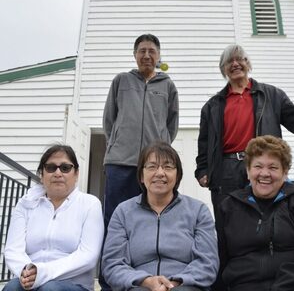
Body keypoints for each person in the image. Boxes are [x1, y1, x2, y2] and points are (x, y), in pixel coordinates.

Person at [195, 44, 294, 217]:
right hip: (227, 170)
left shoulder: (273, 96)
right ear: (223, 69)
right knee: (228, 224)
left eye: (240, 59)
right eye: (229, 61)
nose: (235, 64)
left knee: (268, 219)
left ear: (248, 64)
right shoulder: (212, 106)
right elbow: (204, 143)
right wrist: (202, 171)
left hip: (263, 166)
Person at [100, 34, 179, 290]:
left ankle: (144, 277)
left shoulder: (168, 86)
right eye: (142, 50)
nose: (147, 55)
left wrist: (161, 149)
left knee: (148, 218)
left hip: (153, 166)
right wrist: (118, 144)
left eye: (152, 51)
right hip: (120, 163)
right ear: (135, 55)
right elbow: (109, 120)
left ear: (158, 56)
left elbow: (171, 124)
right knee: (114, 220)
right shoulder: (121, 81)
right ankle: (110, 279)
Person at [101, 141, 219, 291]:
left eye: (168, 167)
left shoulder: (198, 211)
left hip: (185, 286)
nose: (160, 173)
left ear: (177, 176)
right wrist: (146, 281)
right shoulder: (123, 212)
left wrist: (174, 283)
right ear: (142, 176)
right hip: (139, 286)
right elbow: (113, 264)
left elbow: (208, 263)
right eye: (152, 166)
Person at [216, 135, 294, 291]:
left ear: (285, 172)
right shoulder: (228, 206)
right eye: (258, 166)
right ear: (248, 170)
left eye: (273, 167)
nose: (264, 173)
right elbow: (219, 259)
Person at [4, 144, 104, 291]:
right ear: (41, 174)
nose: (58, 173)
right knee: (13, 287)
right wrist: (25, 271)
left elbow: (88, 256)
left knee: (50, 289)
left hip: (73, 284)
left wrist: (42, 272)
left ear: (76, 174)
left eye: (65, 168)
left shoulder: (90, 204)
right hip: (30, 279)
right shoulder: (26, 204)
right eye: (51, 168)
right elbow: (13, 249)